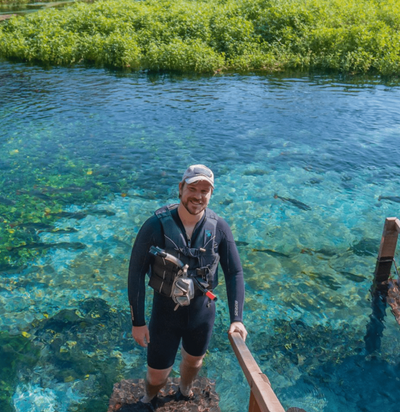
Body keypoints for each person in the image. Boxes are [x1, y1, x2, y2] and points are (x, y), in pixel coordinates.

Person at [128, 164, 247, 410]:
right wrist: (137, 321)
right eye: (193, 188)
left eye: (205, 191)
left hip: (202, 311)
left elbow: (234, 272)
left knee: (194, 362)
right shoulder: (155, 226)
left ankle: (185, 389)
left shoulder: (219, 228)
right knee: (157, 375)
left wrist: (237, 318)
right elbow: (136, 273)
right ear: (180, 188)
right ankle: (149, 397)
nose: (198, 196)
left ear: (211, 194)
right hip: (165, 314)